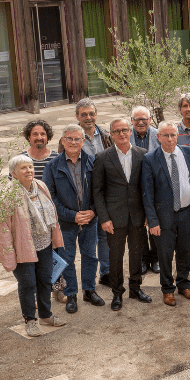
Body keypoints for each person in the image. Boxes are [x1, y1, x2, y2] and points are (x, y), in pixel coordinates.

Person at [0, 156, 66, 336]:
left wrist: (55, 240)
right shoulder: (6, 194)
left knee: (45, 281)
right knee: (27, 284)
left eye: (30, 167)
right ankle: (30, 320)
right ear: (13, 174)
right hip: (22, 249)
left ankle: (46, 316)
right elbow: (1, 229)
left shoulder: (41, 187)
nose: (29, 171)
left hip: (44, 245)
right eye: (23, 168)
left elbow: (52, 216)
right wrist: (7, 254)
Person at [43, 124, 103, 313]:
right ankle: (71, 295)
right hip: (66, 223)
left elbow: (100, 191)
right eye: (69, 138)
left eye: (77, 139)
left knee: (90, 257)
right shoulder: (52, 166)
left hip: (89, 220)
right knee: (66, 259)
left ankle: (89, 290)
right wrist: (73, 215)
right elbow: (49, 199)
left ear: (83, 141)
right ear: (62, 140)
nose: (73, 142)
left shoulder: (93, 162)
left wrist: (93, 211)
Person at [92, 118, 150, 310]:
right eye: (117, 131)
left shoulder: (143, 155)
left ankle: (135, 288)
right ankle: (117, 294)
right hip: (113, 219)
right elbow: (97, 192)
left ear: (131, 131)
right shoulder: (102, 157)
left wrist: (149, 215)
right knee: (115, 257)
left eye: (125, 130)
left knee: (136, 255)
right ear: (111, 135)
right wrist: (104, 218)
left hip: (137, 217)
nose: (122, 134)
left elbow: (148, 189)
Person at [140, 121, 190, 306]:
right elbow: (147, 193)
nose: (170, 139)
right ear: (158, 137)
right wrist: (153, 220)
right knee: (165, 255)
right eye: (165, 135)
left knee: (183, 251)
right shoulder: (150, 159)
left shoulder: (188, 153)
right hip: (163, 217)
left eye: (173, 134)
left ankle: (183, 284)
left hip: (186, 212)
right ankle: (167, 289)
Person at [75, 97, 111, 284]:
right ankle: (89, 280)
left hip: (104, 194)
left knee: (105, 235)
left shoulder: (106, 135)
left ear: (96, 115)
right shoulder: (71, 137)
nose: (88, 117)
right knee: (89, 240)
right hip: (84, 197)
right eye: (84, 115)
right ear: (77, 117)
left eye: (91, 114)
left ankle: (106, 273)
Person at [130, 105, 160, 275]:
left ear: (149, 120)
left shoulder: (158, 134)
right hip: (134, 188)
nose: (141, 122)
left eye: (144, 119)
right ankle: (143, 258)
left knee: (155, 224)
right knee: (138, 226)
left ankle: (155, 258)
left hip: (155, 187)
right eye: (137, 119)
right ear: (132, 121)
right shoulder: (126, 135)